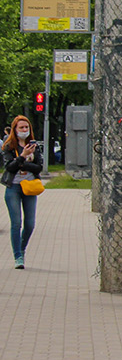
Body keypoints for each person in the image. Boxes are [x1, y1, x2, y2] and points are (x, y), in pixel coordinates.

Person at [3, 115, 44, 270]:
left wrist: (23, 164)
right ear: (15, 129)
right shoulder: (9, 146)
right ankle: (18, 257)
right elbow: (9, 167)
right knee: (16, 223)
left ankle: (22, 247)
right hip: (13, 187)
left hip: (30, 187)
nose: (24, 130)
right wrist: (23, 157)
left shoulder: (34, 146)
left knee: (30, 224)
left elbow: (38, 167)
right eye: (21, 128)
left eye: (26, 127)